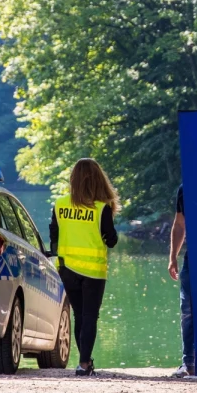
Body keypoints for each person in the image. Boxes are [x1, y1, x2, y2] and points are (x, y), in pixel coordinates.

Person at [49, 158, 119, 376]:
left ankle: (84, 362)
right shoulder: (101, 208)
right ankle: (83, 363)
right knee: (89, 316)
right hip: (93, 271)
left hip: (67, 268)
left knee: (79, 315)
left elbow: (54, 236)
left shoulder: (60, 204)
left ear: (73, 179)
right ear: (99, 180)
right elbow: (112, 240)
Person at [167, 184, 194, 378]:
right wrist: (172, 257)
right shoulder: (185, 189)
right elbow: (179, 224)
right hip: (192, 258)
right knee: (188, 310)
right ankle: (189, 363)